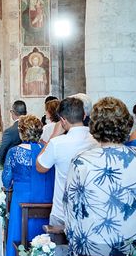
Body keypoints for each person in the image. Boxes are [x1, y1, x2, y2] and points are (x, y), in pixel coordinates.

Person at [65, 97, 136, 256]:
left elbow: (71, 209)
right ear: (126, 124)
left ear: (94, 125)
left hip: (93, 247)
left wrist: (74, 246)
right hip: (134, 244)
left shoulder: (81, 160)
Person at [1, 115, 54, 256]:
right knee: (41, 238)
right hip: (45, 200)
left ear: (21, 131)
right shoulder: (46, 150)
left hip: (21, 201)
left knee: (18, 237)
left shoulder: (14, 152)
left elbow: (6, 180)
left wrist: (11, 184)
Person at [36, 97, 97, 228]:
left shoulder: (57, 143)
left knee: (61, 248)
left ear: (63, 120)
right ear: (84, 115)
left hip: (63, 212)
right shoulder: (97, 141)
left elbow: (40, 167)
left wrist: (54, 135)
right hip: (91, 211)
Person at [0, 100, 27, 165]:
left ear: (13, 112)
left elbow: (2, 151)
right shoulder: (33, 127)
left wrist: (2, 164)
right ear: (26, 112)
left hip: (14, 165)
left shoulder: (9, 131)